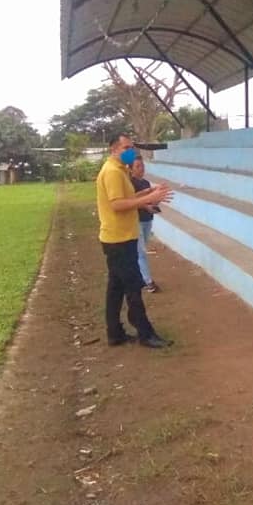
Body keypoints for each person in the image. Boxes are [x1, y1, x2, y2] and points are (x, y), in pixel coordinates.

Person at [96, 134, 174, 348]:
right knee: (133, 287)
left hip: (121, 237)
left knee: (115, 288)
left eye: (131, 147)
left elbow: (127, 199)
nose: (130, 151)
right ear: (114, 149)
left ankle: (115, 333)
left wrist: (148, 193)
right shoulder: (113, 172)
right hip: (119, 240)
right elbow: (117, 205)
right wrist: (149, 198)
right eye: (126, 148)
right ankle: (145, 333)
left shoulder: (121, 170)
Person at [130, 155, 161, 293]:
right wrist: (145, 205)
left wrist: (157, 200)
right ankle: (148, 281)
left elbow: (150, 201)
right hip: (136, 220)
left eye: (142, 165)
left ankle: (139, 275)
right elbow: (132, 202)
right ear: (131, 169)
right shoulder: (130, 184)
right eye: (138, 166)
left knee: (140, 250)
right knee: (141, 251)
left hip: (147, 219)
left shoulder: (146, 183)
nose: (141, 168)